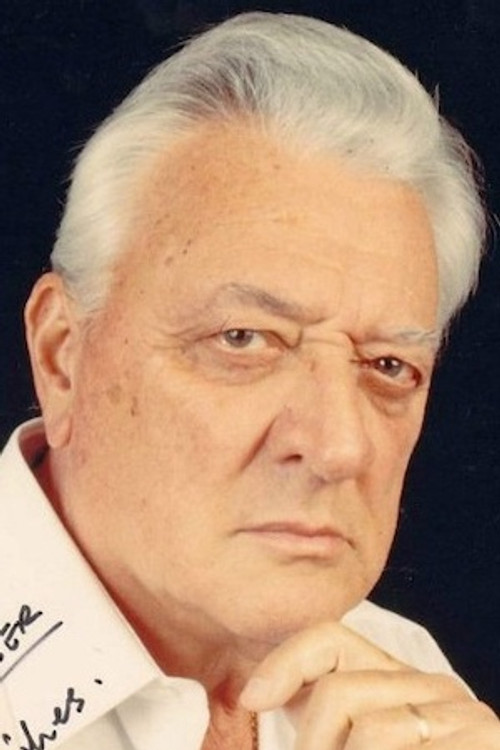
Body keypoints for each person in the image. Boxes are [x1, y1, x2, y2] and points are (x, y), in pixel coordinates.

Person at [1, 10, 499, 750]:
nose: (338, 447)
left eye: (388, 366)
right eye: (244, 340)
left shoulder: (412, 684)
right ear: (61, 354)